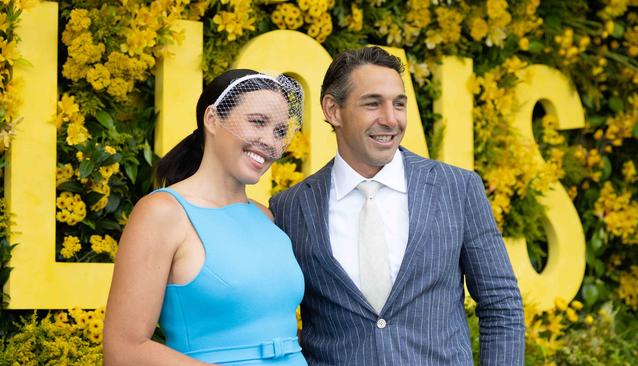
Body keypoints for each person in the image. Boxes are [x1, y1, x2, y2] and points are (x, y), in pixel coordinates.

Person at [270, 46, 525, 365]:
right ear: (333, 110)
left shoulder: (457, 188)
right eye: (373, 104)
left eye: (399, 104)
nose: (390, 120)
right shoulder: (289, 208)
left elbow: (501, 305)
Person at [104, 69, 308, 366]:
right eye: (258, 122)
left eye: (279, 131)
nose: (270, 142)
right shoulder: (162, 213)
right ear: (212, 119)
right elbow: (123, 350)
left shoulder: (266, 218)